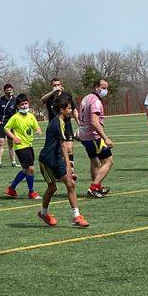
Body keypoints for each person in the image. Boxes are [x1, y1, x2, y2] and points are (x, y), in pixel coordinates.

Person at [36, 95, 89, 228]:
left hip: (57, 158)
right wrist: (68, 165)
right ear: (61, 110)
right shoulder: (57, 122)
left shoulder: (62, 121)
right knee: (52, 187)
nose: (71, 111)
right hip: (47, 160)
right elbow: (63, 145)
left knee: (70, 184)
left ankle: (77, 216)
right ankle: (43, 213)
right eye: (69, 108)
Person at [78, 79, 114, 198]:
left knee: (94, 161)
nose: (105, 90)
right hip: (94, 136)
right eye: (103, 88)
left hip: (84, 136)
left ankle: (98, 187)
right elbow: (94, 121)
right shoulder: (96, 101)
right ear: (96, 87)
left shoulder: (86, 98)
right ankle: (94, 187)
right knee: (108, 161)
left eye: (106, 88)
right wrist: (105, 138)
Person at [3, 94, 41, 199]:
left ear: (28, 103)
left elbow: (36, 126)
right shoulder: (15, 118)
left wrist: (38, 129)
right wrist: (14, 138)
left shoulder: (31, 116)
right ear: (18, 106)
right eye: (21, 105)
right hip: (20, 147)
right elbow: (6, 128)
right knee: (31, 169)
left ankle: (11, 189)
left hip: (29, 145)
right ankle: (31, 192)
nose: (24, 106)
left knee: (26, 170)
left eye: (25, 103)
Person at [41, 76, 76, 179]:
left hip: (67, 124)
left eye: (58, 85)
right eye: (54, 85)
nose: (56, 87)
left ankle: (71, 172)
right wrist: (53, 92)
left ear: (61, 86)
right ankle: (61, 171)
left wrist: (79, 122)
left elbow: (73, 109)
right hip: (55, 126)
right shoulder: (49, 97)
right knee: (58, 149)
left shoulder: (66, 96)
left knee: (69, 148)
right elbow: (42, 99)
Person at [0, 83, 18, 168]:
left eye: (10, 89)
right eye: (7, 90)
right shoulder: (0, 100)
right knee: (0, 142)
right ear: (4, 91)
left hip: (11, 125)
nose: (9, 91)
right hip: (1, 124)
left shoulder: (15, 100)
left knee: (11, 144)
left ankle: (13, 161)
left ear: (12, 90)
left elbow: (19, 111)